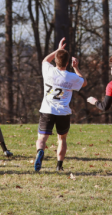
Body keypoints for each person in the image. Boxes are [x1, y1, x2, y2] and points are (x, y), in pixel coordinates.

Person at [35, 37, 86, 172]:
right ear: (68, 63)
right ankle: (59, 166)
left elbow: (45, 60)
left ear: (56, 61)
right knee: (61, 139)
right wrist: (76, 68)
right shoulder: (71, 76)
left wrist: (58, 50)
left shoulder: (48, 70)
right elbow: (83, 82)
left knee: (42, 138)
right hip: (63, 111)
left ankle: (40, 151)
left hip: (47, 109)